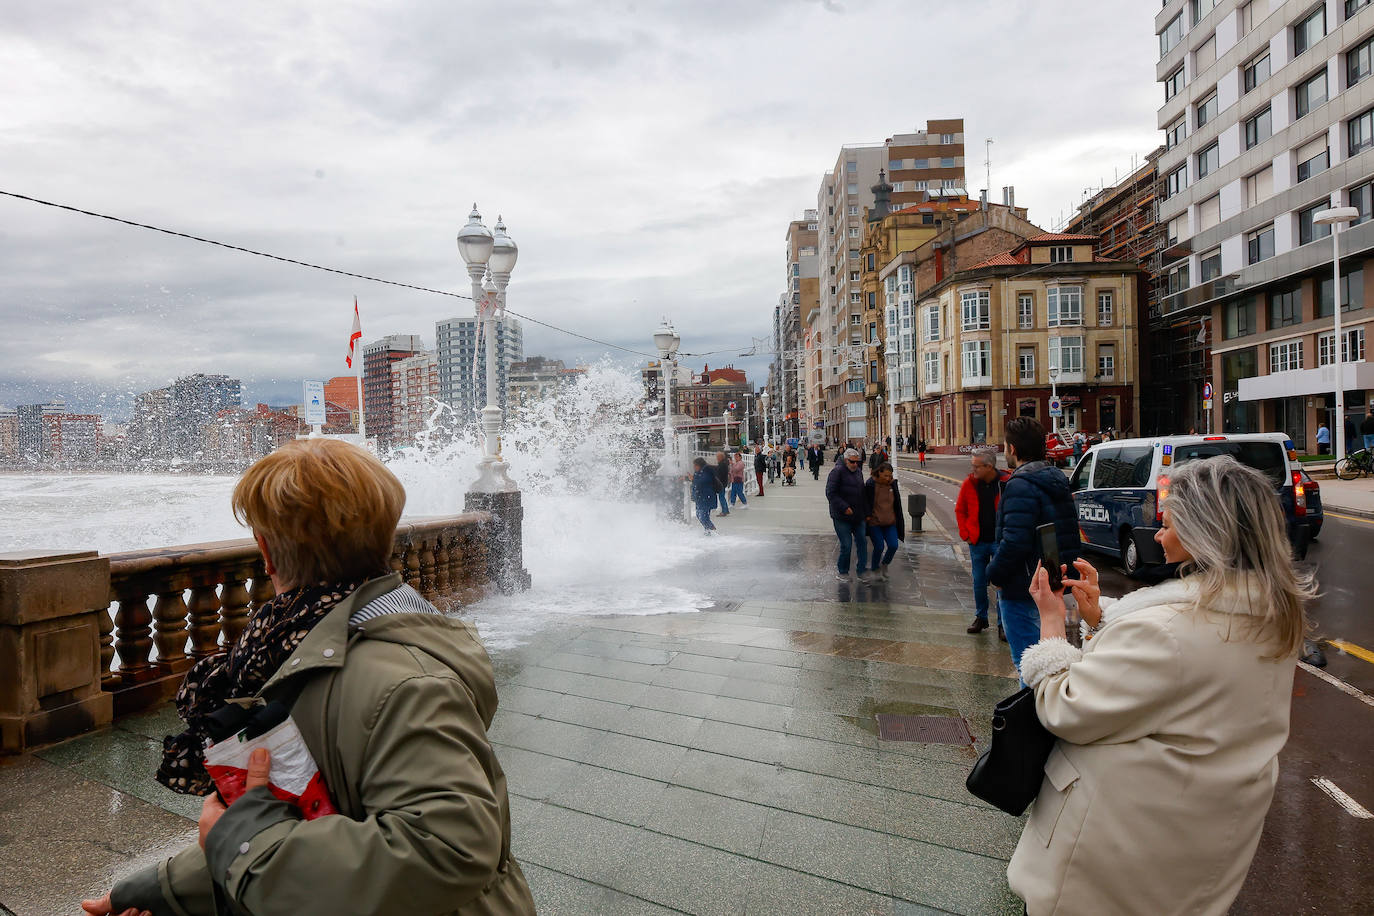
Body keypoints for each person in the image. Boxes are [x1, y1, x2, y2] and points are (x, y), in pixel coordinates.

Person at [83, 438, 535, 916]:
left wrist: (241, 842)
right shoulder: (299, 651)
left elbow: (449, 849)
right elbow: (307, 815)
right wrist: (166, 889)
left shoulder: (402, 682)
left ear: (266, 553)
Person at [1010, 456, 1313, 916]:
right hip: (1197, 834)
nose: (1158, 534)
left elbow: (1066, 708)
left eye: (1168, 523)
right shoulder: (1270, 617)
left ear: (1203, 533)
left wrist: (1052, 623)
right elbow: (1178, 687)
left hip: (1119, 846)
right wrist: (1099, 617)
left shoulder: (1166, 631)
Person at [986, 416, 1080, 674]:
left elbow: (1015, 540)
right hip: (1055, 583)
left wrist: (994, 573)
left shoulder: (1020, 485)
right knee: (1052, 664)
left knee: (1028, 666)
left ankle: (1032, 714)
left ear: (1013, 449)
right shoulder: (1057, 479)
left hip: (1024, 586)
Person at [955, 448, 1009, 640]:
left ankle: (1003, 624)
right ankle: (981, 617)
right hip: (977, 542)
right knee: (979, 582)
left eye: (976, 466)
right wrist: (965, 534)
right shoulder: (969, 484)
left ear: (989, 466)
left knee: (1001, 582)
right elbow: (960, 510)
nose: (973, 469)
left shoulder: (1006, 483)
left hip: (999, 542)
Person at [825, 448, 870, 582]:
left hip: (858, 515)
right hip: (841, 516)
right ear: (845, 460)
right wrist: (844, 507)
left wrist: (867, 513)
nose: (855, 464)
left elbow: (863, 494)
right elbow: (830, 493)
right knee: (847, 544)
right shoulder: (836, 472)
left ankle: (861, 571)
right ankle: (842, 571)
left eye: (857, 462)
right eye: (852, 462)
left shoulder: (858, 472)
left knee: (862, 542)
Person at [863, 462, 905, 580]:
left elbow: (897, 505)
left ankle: (884, 564)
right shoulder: (871, 484)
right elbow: (865, 501)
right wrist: (867, 516)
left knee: (893, 545)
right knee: (879, 546)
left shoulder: (892, 485)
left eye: (890, 476)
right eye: (885, 475)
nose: (888, 478)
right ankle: (875, 568)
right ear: (879, 473)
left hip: (890, 522)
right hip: (875, 522)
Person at [691, 457, 720, 533]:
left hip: (706, 497)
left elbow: (702, 482)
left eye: (695, 465)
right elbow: (696, 481)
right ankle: (708, 529)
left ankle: (711, 530)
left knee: (703, 516)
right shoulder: (698, 472)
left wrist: (693, 479)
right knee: (699, 515)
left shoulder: (707, 471)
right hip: (700, 497)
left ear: (699, 465)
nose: (694, 467)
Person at [713, 450, 732, 516]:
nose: (716, 458)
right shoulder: (723, 463)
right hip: (723, 482)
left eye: (717, 457)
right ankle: (726, 510)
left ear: (720, 457)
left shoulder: (722, 464)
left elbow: (720, 474)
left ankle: (724, 511)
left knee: (721, 497)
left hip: (721, 483)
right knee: (722, 497)